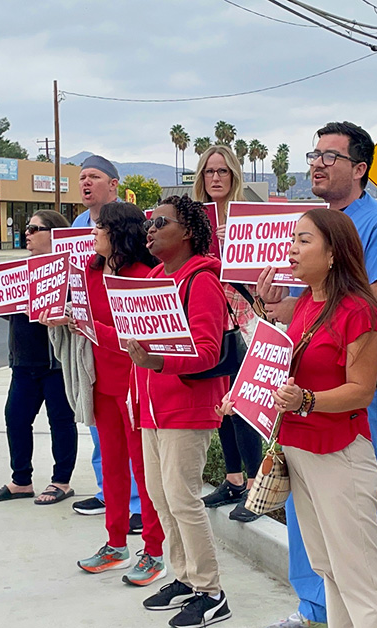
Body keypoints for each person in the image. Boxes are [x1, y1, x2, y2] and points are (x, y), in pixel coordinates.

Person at [259, 121, 377, 628]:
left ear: (360, 168)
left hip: (348, 414)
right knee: (318, 537)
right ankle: (316, 610)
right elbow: (299, 330)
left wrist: (306, 398)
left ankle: (375, 609)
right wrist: (274, 308)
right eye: (314, 154)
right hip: (305, 428)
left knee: (363, 528)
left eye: (330, 156)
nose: (317, 163)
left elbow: (373, 310)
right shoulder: (311, 283)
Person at [227, 208, 377, 627]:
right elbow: (284, 365)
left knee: (361, 579)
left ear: (335, 252)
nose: (292, 249)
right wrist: (246, 393)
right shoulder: (305, 304)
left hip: (339, 455)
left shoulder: (360, 311)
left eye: (304, 240)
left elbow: (361, 390)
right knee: (329, 569)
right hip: (300, 451)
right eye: (293, 239)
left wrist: (306, 400)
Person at [45, 202, 169, 586]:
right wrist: (64, 317)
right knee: (111, 469)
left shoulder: (146, 275)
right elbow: (82, 320)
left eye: (100, 228)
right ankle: (116, 543)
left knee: (143, 470)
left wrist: (89, 325)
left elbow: (144, 339)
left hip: (135, 385)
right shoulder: (89, 271)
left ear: (119, 232)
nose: (93, 233)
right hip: (99, 382)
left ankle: (154, 551)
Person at [129, 195, 232, 627]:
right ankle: (186, 578)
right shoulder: (153, 278)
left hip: (186, 408)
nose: (150, 230)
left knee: (183, 498)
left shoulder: (202, 281)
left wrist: (160, 362)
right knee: (161, 497)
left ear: (188, 232)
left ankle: (212, 592)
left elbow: (209, 352)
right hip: (153, 409)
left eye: (162, 223)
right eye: (149, 223)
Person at [0, 210, 78, 506]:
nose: (28, 233)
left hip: (55, 361)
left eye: (35, 228)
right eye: (28, 228)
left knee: (60, 421)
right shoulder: (21, 268)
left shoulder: (71, 271)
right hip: (23, 360)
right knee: (16, 417)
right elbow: (14, 313)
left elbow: (79, 310)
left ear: (54, 234)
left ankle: (61, 480)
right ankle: (21, 480)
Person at [68, 154, 143, 529]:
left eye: (93, 177)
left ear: (113, 184)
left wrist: (93, 325)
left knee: (138, 452)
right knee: (107, 448)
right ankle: (111, 505)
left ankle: (141, 513)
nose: (85, 183)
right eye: (81, 177)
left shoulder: (140, 265)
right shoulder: (81, 233)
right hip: (98, 373)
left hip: (131, 376)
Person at [190, 145, 265, 523]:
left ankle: (256, 485)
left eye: (222, 171)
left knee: (242, 405)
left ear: (234, 176)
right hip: (208, 320)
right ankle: (233, 479)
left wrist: (233, 248)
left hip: (244, 319)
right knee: (220, 402)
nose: (216, 178)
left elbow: (265, 274)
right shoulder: (193, 221)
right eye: (209, 171)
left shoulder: (247, 218)